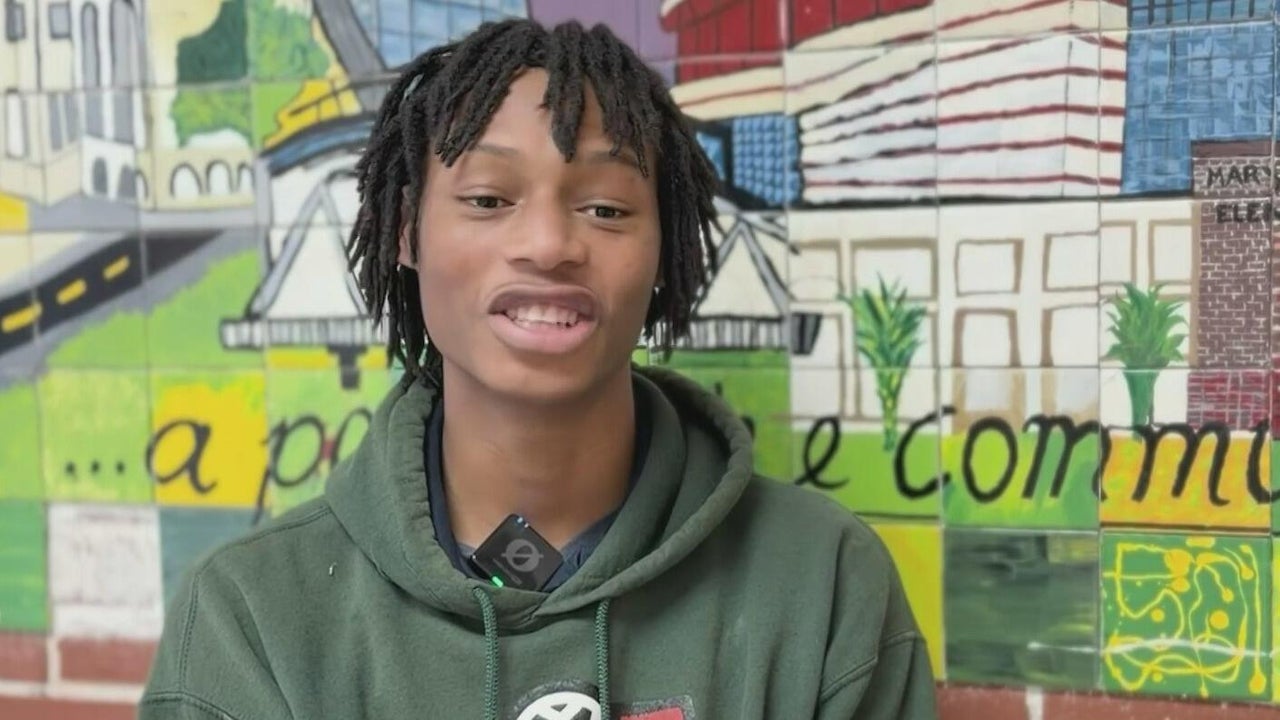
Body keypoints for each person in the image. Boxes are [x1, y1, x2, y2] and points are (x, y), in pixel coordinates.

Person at [139, 18, 937, 720]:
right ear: (407, 233)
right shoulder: (253, 617)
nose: (550, 245)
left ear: (665, 250)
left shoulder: (823, 582)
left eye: (606, 208)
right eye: (489, 200)